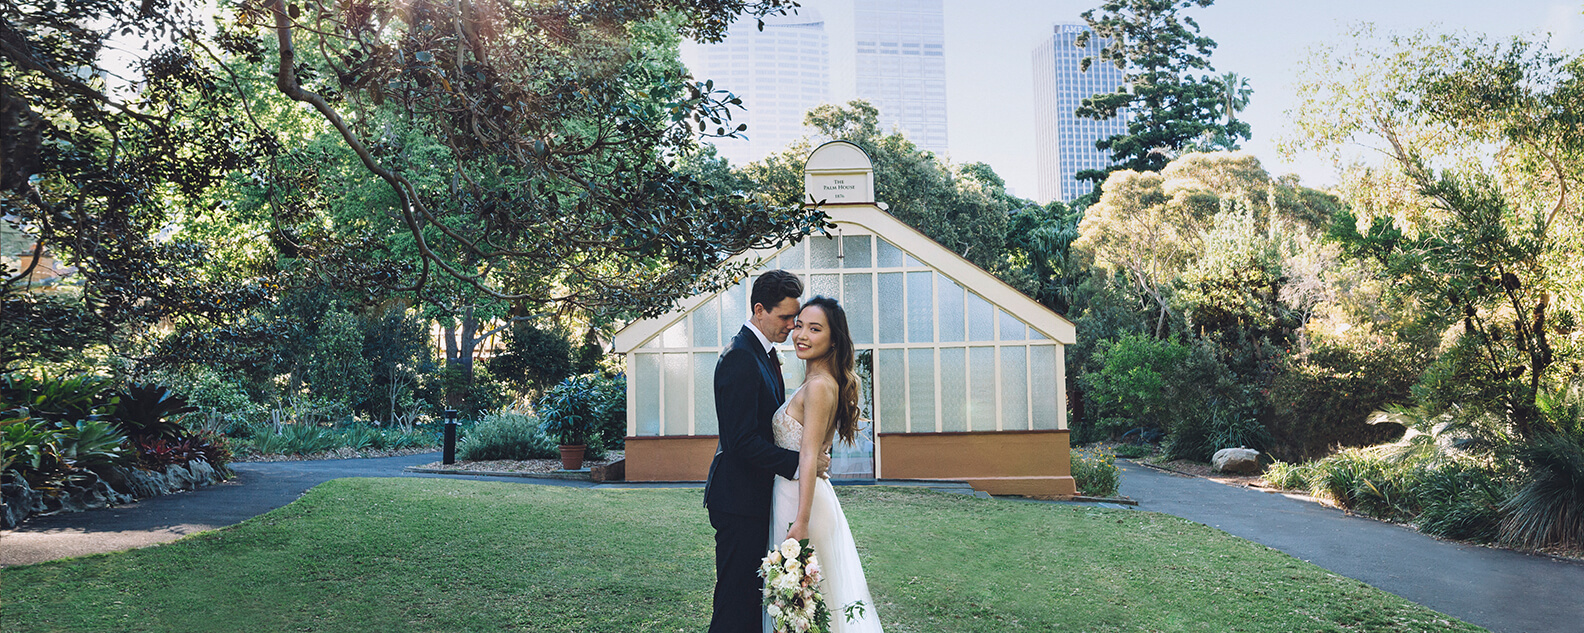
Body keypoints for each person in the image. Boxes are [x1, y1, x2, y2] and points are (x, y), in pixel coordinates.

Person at [705, 270, 829, 633]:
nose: (793, 326)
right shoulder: (740, 357)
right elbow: (740, 441)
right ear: (759, 310)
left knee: (752, 599)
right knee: (735, 600)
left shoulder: (763, 352)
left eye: (796, 317)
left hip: (757, 498)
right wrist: (800, 463)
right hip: (738, 501)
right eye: (785, 317)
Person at [768, 295, 883, 632]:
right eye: (799, 325)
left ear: (833, 339)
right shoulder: (815, 381)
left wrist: (800, 522)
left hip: (802, 503)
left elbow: (807, 454)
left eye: (814, 329)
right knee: (802, 605)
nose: (801, 334)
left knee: (804, 605)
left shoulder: (819, 386)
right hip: (795, 495)